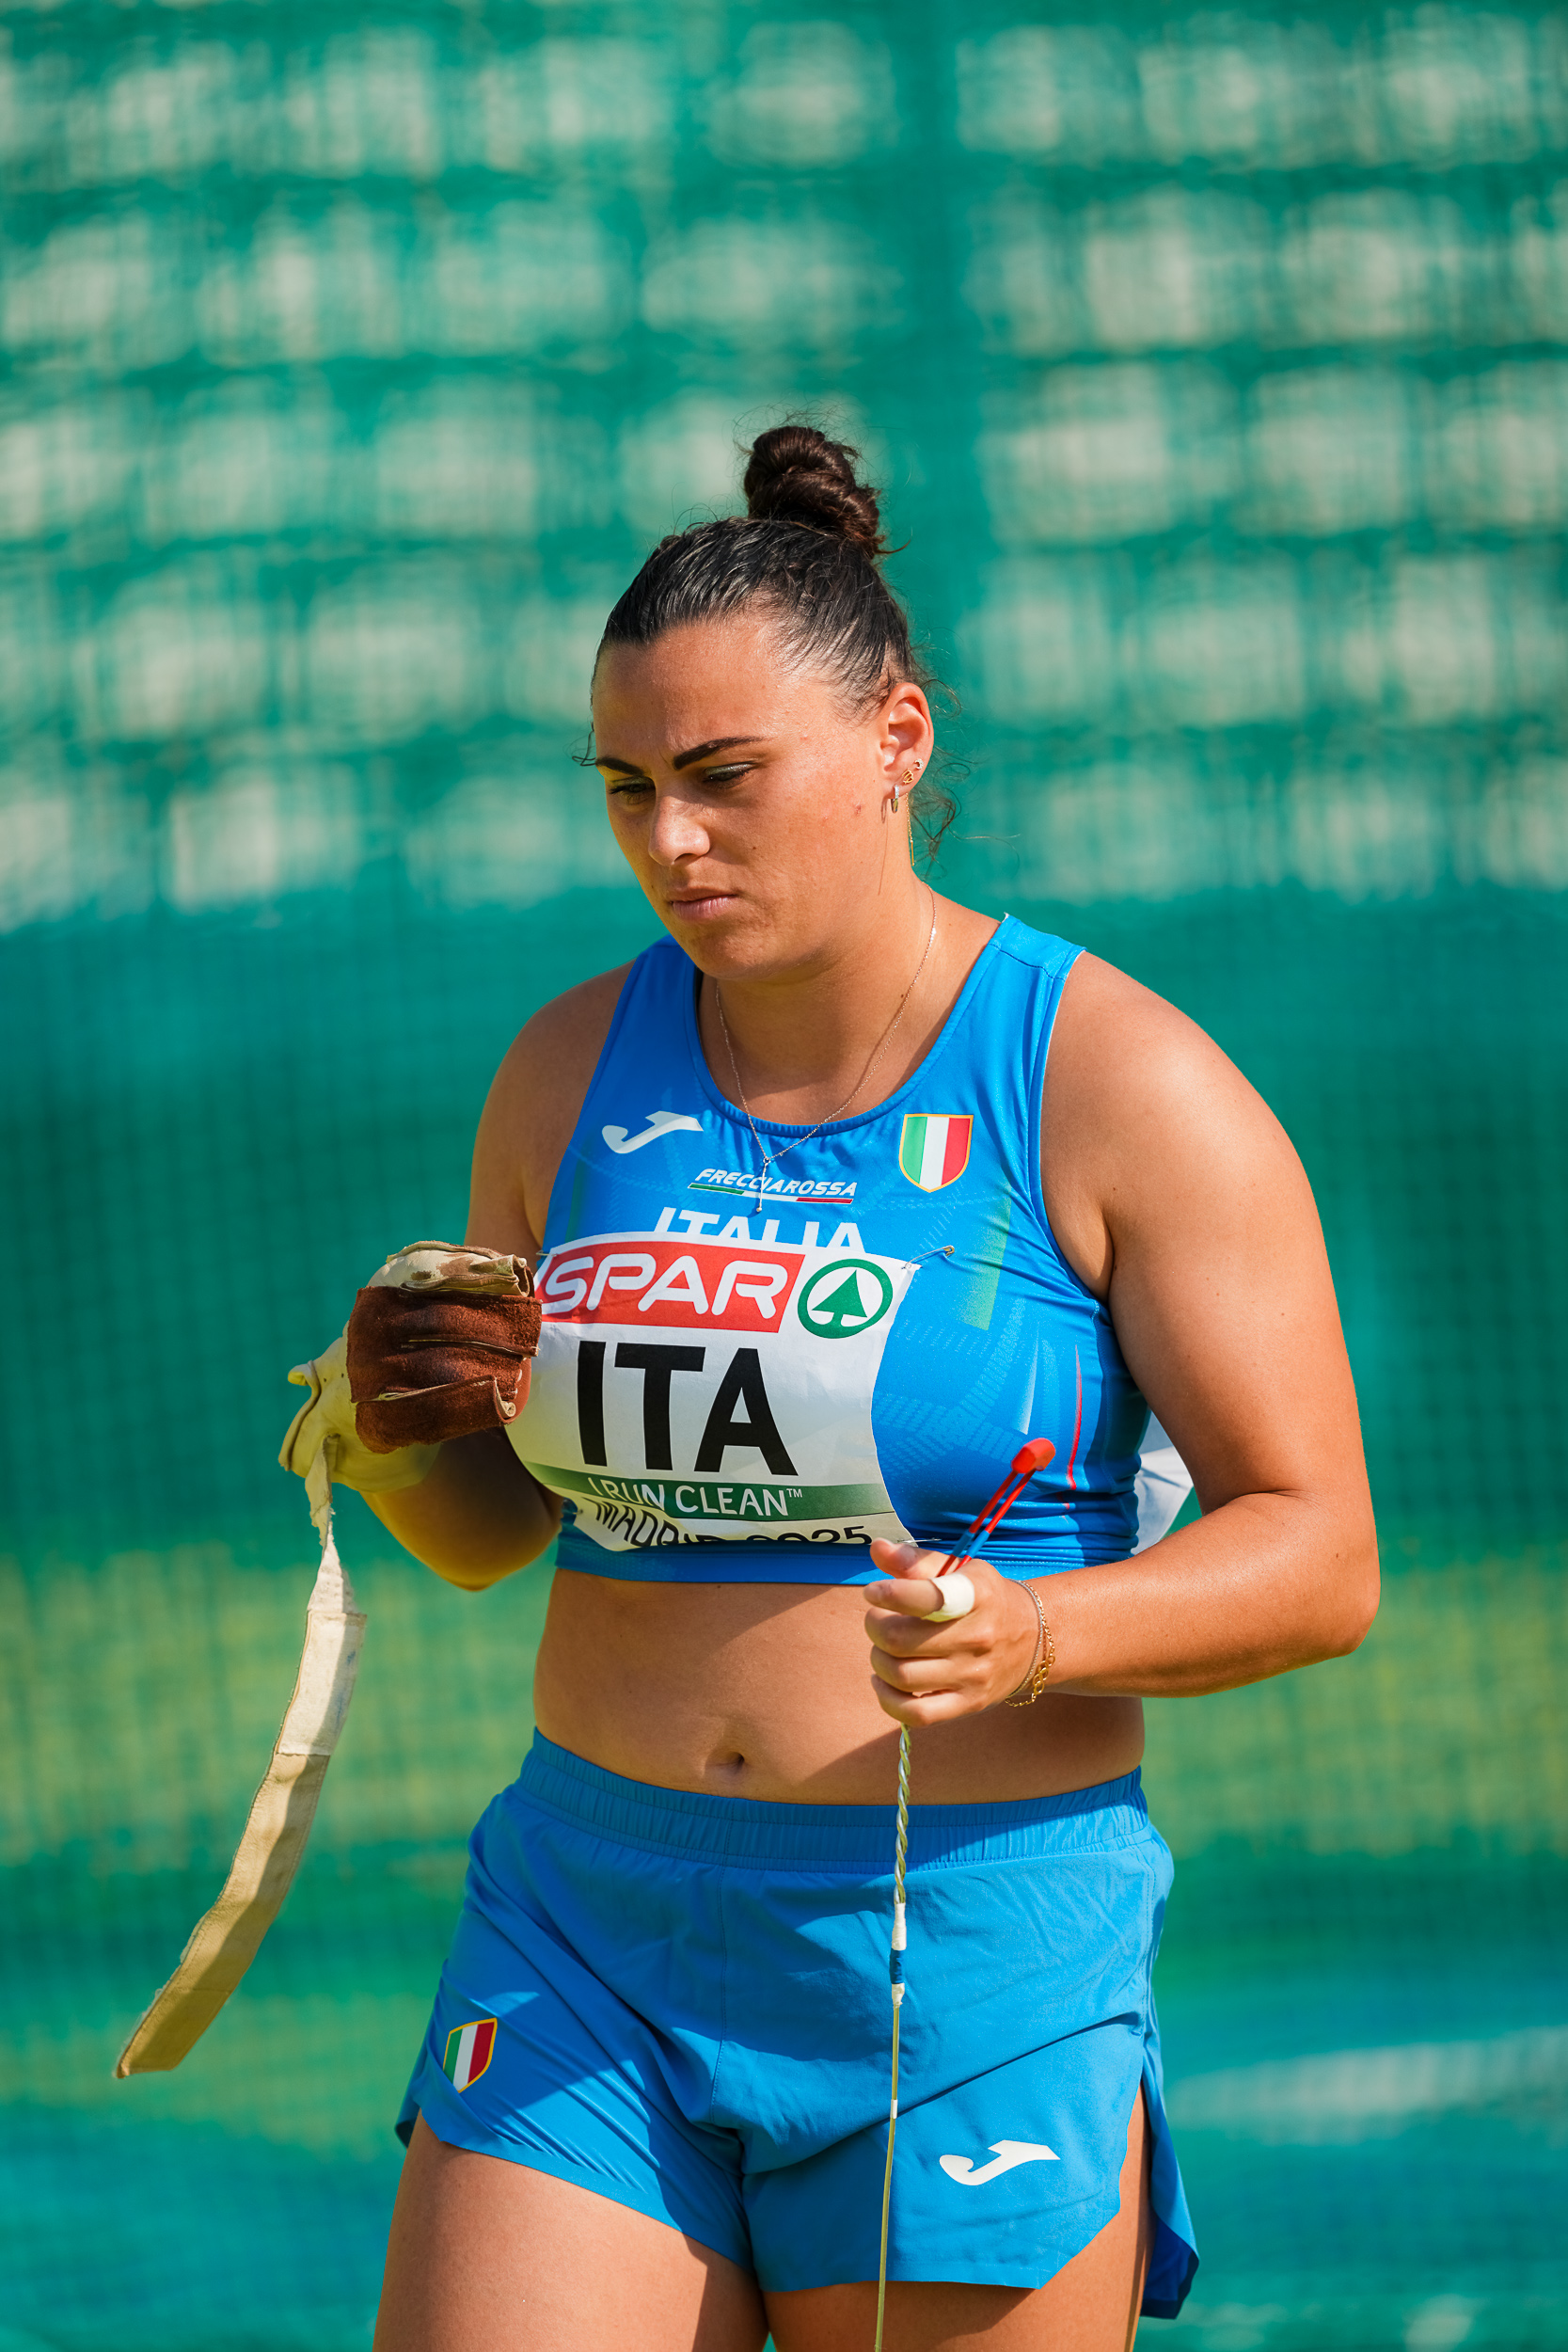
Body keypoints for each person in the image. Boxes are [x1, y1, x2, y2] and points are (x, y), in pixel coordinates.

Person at [283, 424, 1378, 2352]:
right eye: (626, 790)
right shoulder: (565, 1067)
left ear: (897, 738)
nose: (670, 844)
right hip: (586, 1931)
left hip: (963, 1949)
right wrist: (384, 1430)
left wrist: (1036, 1632)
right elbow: (501, 1533)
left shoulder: (1116, 1081)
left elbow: (1320, 1553)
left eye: (724, 778)